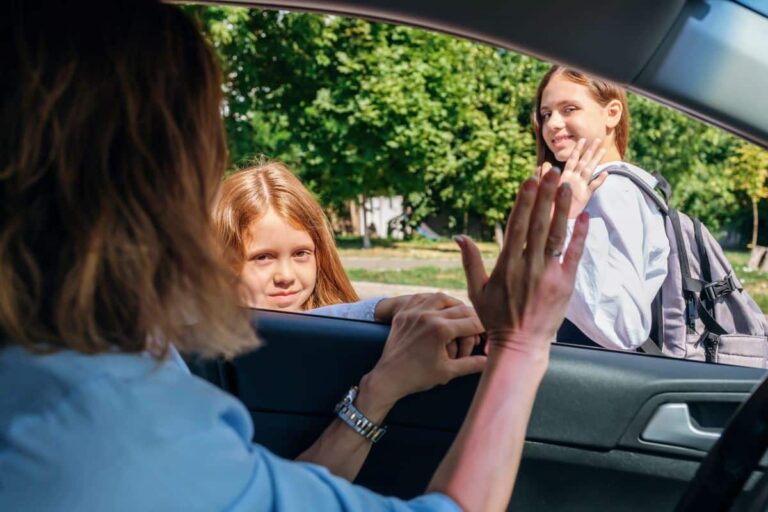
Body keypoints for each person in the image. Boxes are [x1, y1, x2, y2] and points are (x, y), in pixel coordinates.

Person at [0, 2, 588, 512]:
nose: (285, 275)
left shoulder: (60, 372)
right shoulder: (109, 429)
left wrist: (381, 310)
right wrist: (520, 343)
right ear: (158, 186)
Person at [212, 162, 484, 480]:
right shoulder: (203, 355)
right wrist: (377, 310)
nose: (285, 276)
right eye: (263, 257)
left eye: (301, 254)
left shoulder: (344, 339)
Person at [532, 65, 670, 351]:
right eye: (546, 114)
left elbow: (624, 328)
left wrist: (566, 221)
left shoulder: (610, 190)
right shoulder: (601, 187)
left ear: (612, 113)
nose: (553, 123)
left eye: (569, 109)